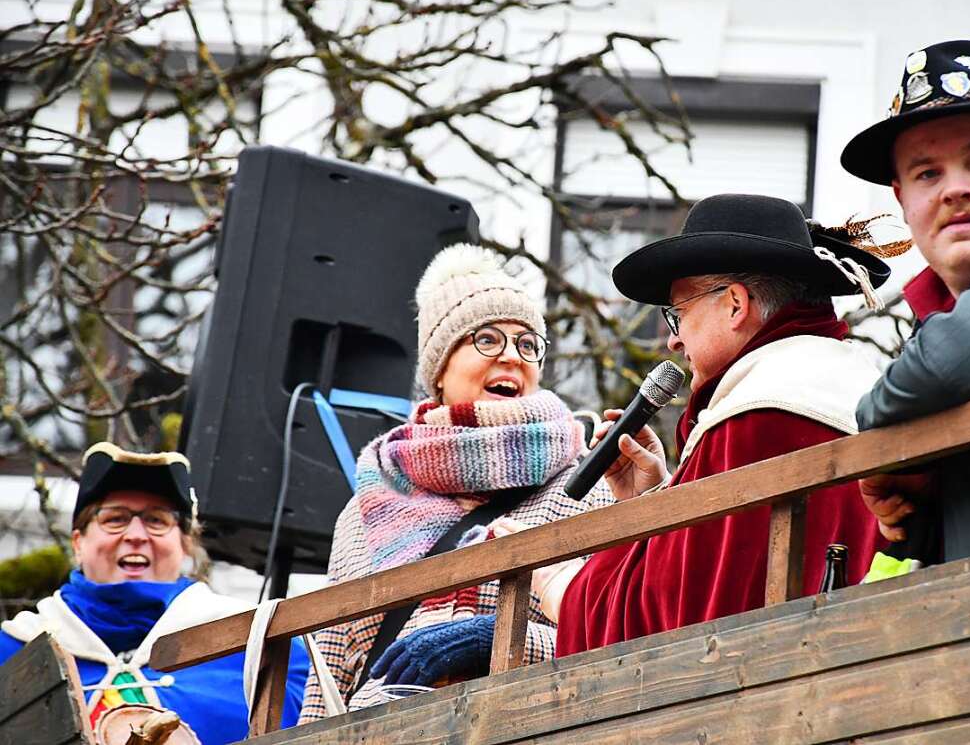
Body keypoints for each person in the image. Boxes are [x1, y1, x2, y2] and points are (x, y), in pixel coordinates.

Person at [550, 193, 892, 656]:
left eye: (679, 312)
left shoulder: (758, 417)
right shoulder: (844, 382)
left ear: (734, 305)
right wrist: (653, 501)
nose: (673, 339)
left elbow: (675, 621)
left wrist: (559, 587)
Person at [299, 243, 610, 719]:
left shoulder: (585, 484)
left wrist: (496, 640)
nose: (512, 356)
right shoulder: (372, 499)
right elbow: (331, 673)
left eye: (528, 344)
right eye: (487, 338)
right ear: (439, 369)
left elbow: (616, 637)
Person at [842, 39, 970, 561]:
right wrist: (918, 488)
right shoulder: (933, 316)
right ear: (900, 198)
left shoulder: (952, 335)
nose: (955, 189)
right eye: (928, 173)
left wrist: (879, 427)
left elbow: (943, 365)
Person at [0, 442, 309, 744]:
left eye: (157, 521)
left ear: (186, 544)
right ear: (78, 543)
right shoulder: (13, 650)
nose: (135, 535)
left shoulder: (261, 649)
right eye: (114, 519)